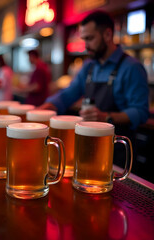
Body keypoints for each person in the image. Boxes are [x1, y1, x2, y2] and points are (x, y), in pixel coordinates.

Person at [39, 11, 149, 166]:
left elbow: (141, 112)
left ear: (107, 34)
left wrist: (106, 117)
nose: (86, 45)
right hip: (90, 146)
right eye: (84, 39)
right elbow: (69, 93)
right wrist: (47, 106)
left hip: (117, 151)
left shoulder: (132, 67)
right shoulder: (89, 66)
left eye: (90, 39)